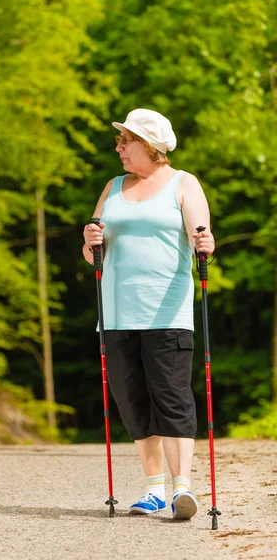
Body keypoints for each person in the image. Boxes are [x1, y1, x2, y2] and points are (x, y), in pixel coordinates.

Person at [82, 108, 215, 520]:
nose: (119, 148)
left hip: (167, 312)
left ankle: (181, 489)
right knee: (133, 401)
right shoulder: (113, 186)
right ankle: (154, 489)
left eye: (127, 141)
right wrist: (89, 241)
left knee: (172, 399)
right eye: (119, 141)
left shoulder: (182, 183)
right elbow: (92, 254)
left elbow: (200, 232)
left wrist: (203, 242)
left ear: (151, 147)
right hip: (118, 315)